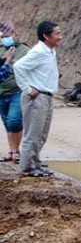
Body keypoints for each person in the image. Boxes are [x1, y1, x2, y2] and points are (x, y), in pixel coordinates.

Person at [13, 21, 63, 178]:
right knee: (33, 133)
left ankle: (35, 163)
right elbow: (18, 67)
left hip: (46, 96)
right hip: (37, 97)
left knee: (41, 134)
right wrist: (27, 89)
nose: (60, 37)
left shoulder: (50, 51)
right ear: (46, 36)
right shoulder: (39, 51)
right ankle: (27, 167)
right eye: (57, 34)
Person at [0, 22, 29, 163]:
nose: (6, 37)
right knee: (7, 122)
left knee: (14, 121)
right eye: (3, 34)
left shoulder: (24, 49)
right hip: (1, 92)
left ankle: (16, 150)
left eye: (9, 34)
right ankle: (12, 150)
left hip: (17, 91)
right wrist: (7, 61)